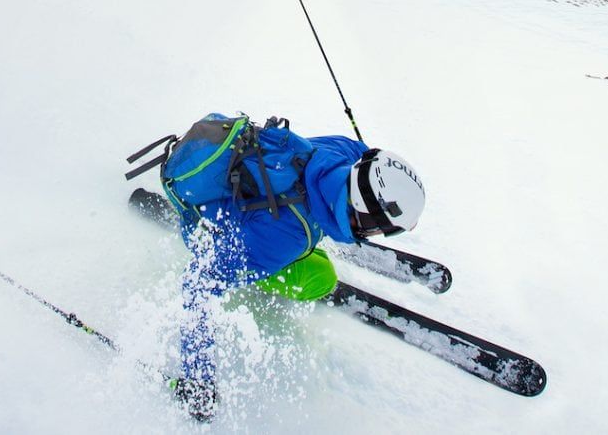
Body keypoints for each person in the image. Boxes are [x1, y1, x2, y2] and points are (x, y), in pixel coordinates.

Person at [161, 113, 426, 421]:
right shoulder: (288, 236)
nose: (378, 235)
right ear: (365, 216)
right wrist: (199, 380)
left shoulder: (340, 154)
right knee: (322, 277)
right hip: (210, 232)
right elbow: (199, 283)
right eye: (382, 228)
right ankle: (260, 274)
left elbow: (363, 151)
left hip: (238, 190)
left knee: (306, 230)